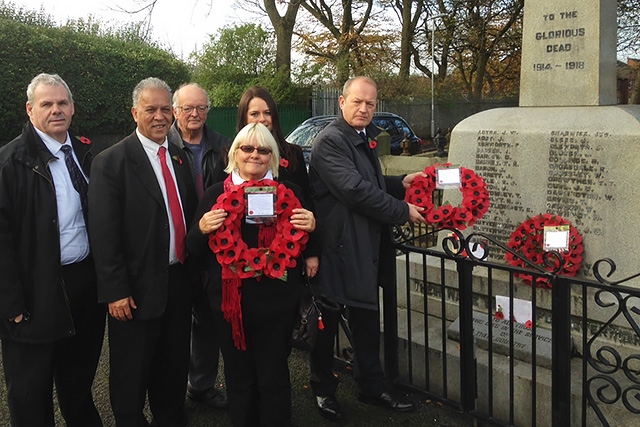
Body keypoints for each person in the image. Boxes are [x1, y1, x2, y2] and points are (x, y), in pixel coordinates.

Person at [308, 76, 427, 421]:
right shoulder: (330, 141)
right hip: (337, 246)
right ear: (341, 102)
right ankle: (322, 390)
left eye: (370, 104)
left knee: (365, 317)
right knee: (326, 322)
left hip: (361, 244)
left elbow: (368, 182)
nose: (364, 109)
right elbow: (355, 191)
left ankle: (371, 386)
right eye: (357, 102)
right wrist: (402, 210)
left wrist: (398, 185)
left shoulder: (362, 137)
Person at [186, 123, 316, 426]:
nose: (254, 154)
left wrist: (313, 226)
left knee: (273, 376)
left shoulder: (291, 193)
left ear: (272, 156)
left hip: (276, 302)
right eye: (247, 148)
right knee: (238, 376)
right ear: (235, 153)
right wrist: (202, 229)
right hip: (232, 306)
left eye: (262, 149)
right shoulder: (215, 194)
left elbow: (309, 243)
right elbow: (193, 249)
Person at [88, 77, 197, 427]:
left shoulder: (178, 157)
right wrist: (115, 290)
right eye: (151, 109)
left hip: (178, 283)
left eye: (166, 109)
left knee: (173, 368)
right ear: (135, 112)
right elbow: (103, 234)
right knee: (130, 376)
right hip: (134, 291)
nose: (160, 116)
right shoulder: (111, 162)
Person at [0, 73, 105, 426]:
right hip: (35, 291)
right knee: (30, 394)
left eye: (62, 103)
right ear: (30, 110)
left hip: (83, 285)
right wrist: (11, 304)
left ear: (73, 108)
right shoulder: (9, 163)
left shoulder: (87, 153)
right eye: (47, 104)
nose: (56, 110)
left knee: (78, 380)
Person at [169, 83, 230, 409]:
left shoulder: (224, 146)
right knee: (175, 323)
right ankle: (171, 392)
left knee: (207, 319)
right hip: (174, 246)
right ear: (176, 111)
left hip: (213, 246)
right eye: (187, 108)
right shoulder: (164, 145)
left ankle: (201, 385)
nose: (194, 114)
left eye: (200, 108)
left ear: (208, 110)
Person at [237, 85, 319, 279]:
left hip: (286, 252)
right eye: (254, 114)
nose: (262, 119)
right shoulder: (229, 157)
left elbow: (307, 205)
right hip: (243, 253)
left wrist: (312, 252)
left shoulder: (293, 154)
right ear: (244, 118)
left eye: (267, 113)